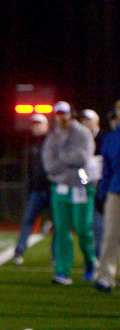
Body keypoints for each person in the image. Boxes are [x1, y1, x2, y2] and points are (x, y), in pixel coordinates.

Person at [42, 101, 97, 285]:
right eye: (58, 113)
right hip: (60, 188)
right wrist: (68, 163)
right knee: (62, 230)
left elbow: (83, 158)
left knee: (83, 229)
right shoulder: (52, 135)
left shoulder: (82, 133)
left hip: (81, 187)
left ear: (70, 114)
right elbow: (49, 164)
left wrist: (62, 158)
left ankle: (90, 261)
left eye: (64, 113)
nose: (61, 117)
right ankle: (63, 271)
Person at [13, 113, 52, 265]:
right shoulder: (32, 145)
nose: (37, 127)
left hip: (51, 189)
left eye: (40, 124)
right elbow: (29, 170)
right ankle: (19, 251)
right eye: (35, 124)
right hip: (36, 190)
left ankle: (56, 255)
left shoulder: (52, 143)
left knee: (58, 224)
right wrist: (29, 190)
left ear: (47, 125)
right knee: (28, 220)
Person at [94, 119, 120, 294]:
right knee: (110, 236)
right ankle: (106, 278)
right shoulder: (112, 137)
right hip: (115, 191)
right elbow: (107, 170)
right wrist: (101, 193)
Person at [78, 108, 105, 257]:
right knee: (87, 223)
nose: (85, 123)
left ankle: (100, 255)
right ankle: (96, 255)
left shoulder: (104, 138)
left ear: (96, 121)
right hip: (86, 186)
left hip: (103, 187)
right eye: (83, 120)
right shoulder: (81, 139)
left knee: (101, 223)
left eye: (88, 120)